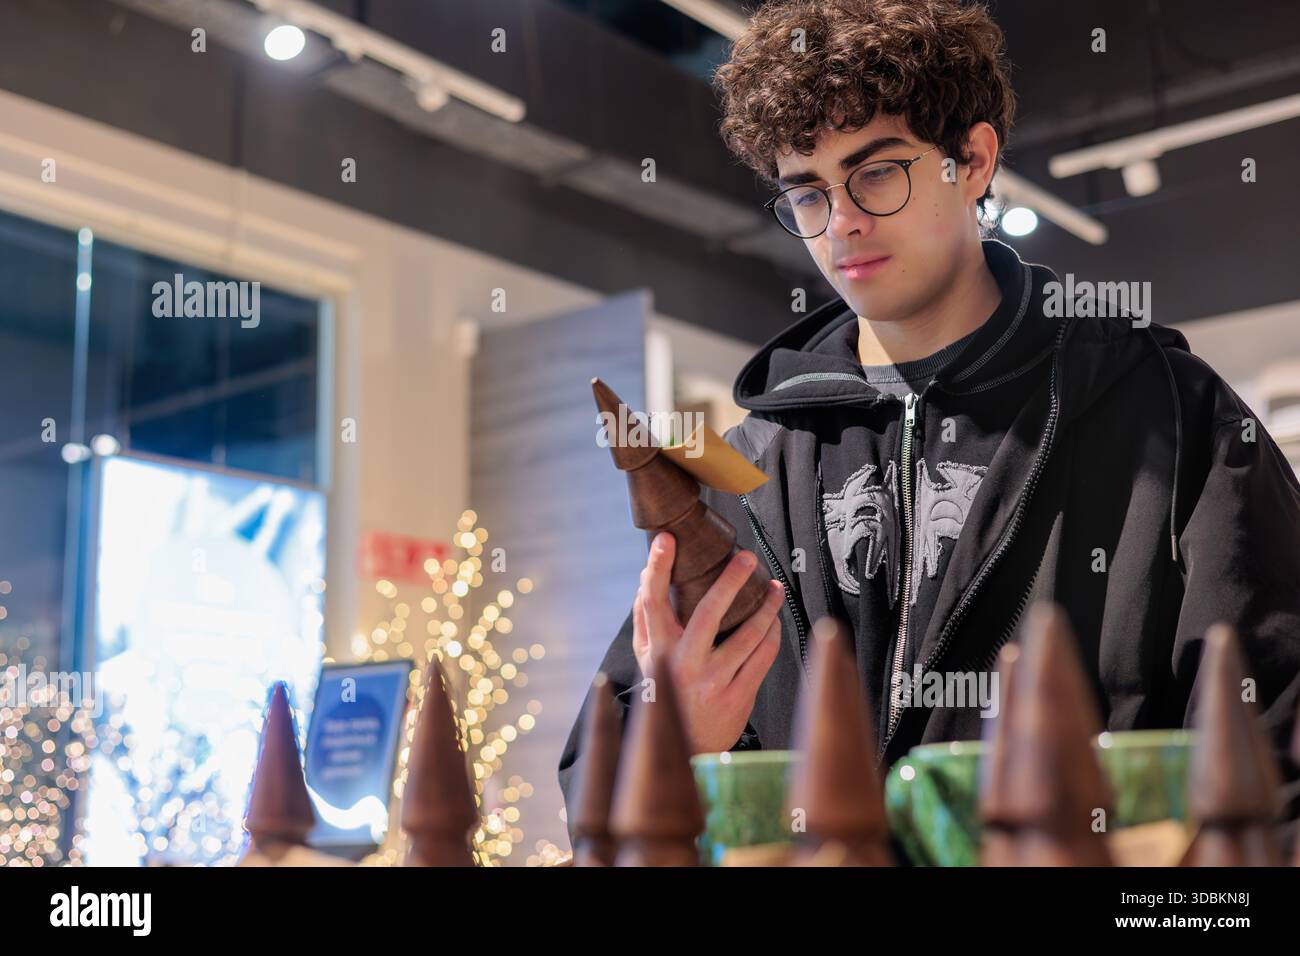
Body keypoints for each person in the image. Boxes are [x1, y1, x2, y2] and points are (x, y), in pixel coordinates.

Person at [558, 0, 1300, 848]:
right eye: (808, 192)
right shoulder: (749, 474)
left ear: (974, 161)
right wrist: (676, 737)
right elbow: (600, 799)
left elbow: (1275, 767)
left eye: (877, 172)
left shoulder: (1170, 415)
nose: (841, 225)